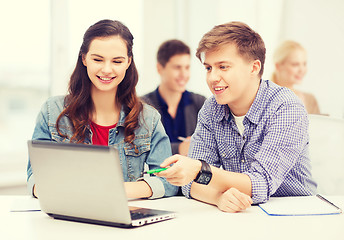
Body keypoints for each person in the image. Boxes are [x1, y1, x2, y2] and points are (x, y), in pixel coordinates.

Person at [156, 21, 317, 213]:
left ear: (254, 67)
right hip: (241, 215)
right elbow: (191, 184)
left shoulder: (285, 107)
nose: (212, 77)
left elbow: (260, 184)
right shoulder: (211, 108)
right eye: (208, 68)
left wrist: (201, 171)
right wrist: (218, 197)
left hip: (296, 213)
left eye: (223, 67)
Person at [26, 19, 178, 199]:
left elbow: (168, 181)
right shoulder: (53, 111)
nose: (107, 69)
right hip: (69, 218)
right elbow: (35, 178)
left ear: (128, 62)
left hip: (124, 218)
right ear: (84, 58)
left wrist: (112, 190)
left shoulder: (148, 118)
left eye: (117, 61)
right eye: (98, 59)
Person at [141, 40, 206, 156]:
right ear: (160, 68)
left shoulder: (200, 103)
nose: (184, 74)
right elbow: (142, 148)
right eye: (177, 67)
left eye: (187, 67)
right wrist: (180, 148)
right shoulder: (143, 105)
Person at [271, 40, 320, 114]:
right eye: (295, 64)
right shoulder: (264, 97)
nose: (302, 70)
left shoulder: (310, 100)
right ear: (278, 66)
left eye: (304, 64)